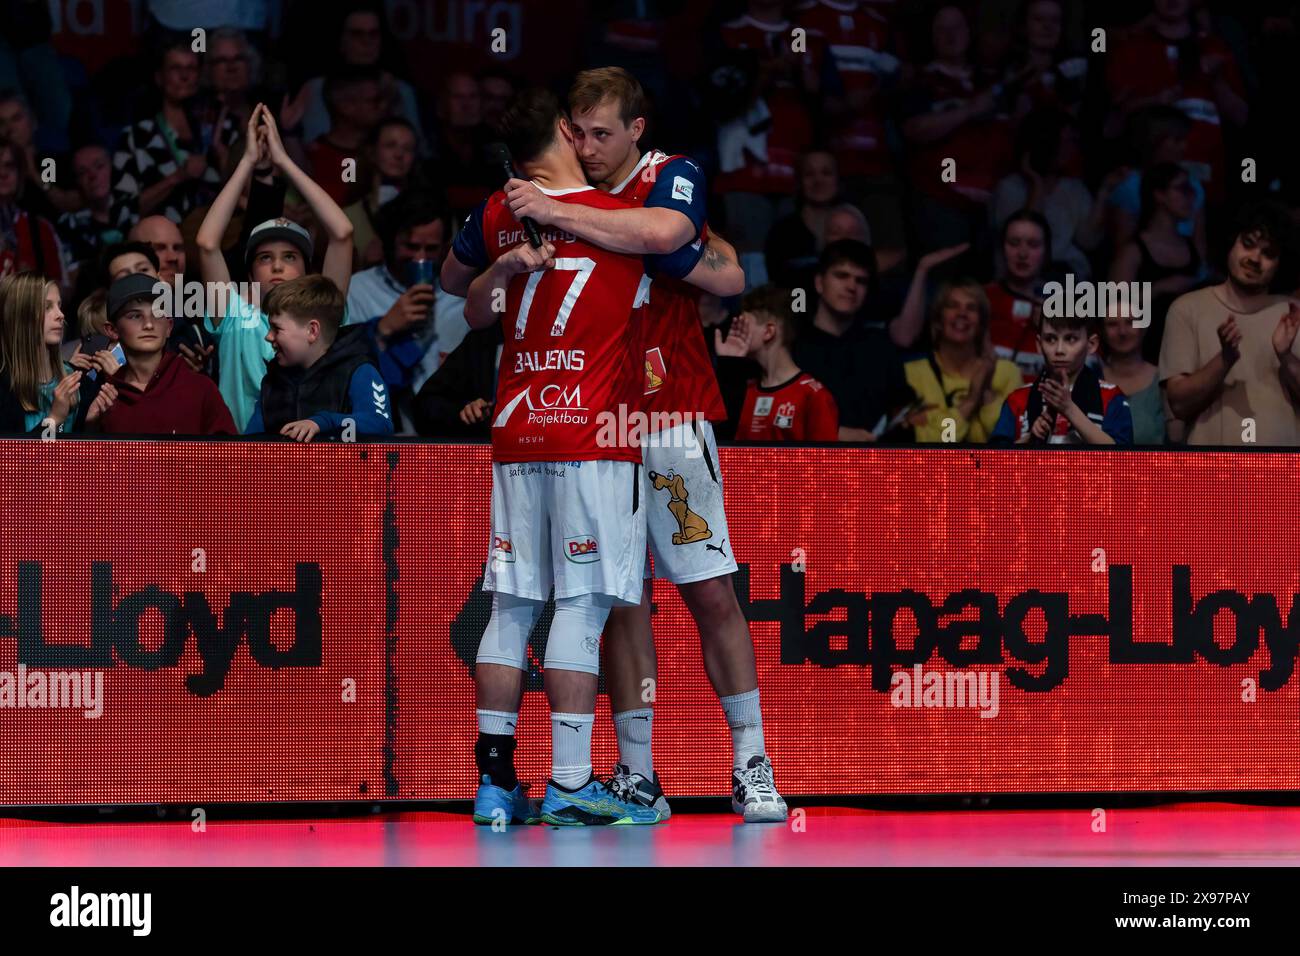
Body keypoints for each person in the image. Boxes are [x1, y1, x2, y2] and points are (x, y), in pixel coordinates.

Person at [490, 67, 786, 823]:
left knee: (710, 588)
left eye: (601, 133)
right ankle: (636, 773)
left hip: (673, 412)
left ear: (636, 131)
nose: (586, 147)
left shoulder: (669, 175)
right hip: (594, 423)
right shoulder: (545, 193)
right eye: (576, 132)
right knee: (619, 601)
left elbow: (705, 259)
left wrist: (572, 213)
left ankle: (751, 760)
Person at [456, 88, 664, 827]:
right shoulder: (622, 215)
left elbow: (465, 299)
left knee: (511, 604)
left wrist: (506, 265)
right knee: (582, 602)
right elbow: (692, 246)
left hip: (518, 431)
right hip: (593, 436)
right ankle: (572, 781)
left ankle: (493, 784)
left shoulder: (498, 214)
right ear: (568, 136)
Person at [196, 102, 354, 431]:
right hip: (240, 461)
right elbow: (207, 243)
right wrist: (248, 162)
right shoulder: (232, 314)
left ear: (309, 274)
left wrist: (285, 161)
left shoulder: (322, 313)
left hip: (308, 461)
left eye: (290, 257)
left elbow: (342, 233)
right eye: (265, 258)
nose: (277, 266)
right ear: (251, 274)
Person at [1160, 202, 1300, 445]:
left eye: (1268, 253)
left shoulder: (1293, 313)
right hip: (1211, 473)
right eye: (1247, 244)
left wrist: (1286, 356)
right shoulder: (1186, 309)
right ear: (1230, 242)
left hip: (1284, 474)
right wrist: (1224, 360)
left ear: (1280, 263)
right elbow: (1178, 403)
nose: (1255, 259)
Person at [346, 191, 463, 432]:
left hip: (451, 437)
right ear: (389, 242)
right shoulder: (358, 290)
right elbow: (341, 372)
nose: (420, 258)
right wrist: (382, 330)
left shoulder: (462, 297)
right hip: (387, 435)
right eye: (411, 247)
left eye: (431, 249)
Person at [244, 275, 392, 441]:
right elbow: (251, 443)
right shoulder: (273, 381)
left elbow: (380, 425)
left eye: (276, 329)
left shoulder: (359, 370)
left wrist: (323, 423)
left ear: (312, 331)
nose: (268, 337)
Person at [793, 239, 911, 442]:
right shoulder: (792, 345)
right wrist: (834, 434)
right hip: (804, 465)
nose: (851, 286)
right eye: (842, 276)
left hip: (873, 465)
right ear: (819, 283)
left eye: (861, 280)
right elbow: (771, 419)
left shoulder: (881, 348)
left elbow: (901, 413)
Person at [95, 272, 236, 435]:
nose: (148, 324)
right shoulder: (101, 394)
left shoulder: (201, 389)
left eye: (158, 314)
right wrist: (90, 426)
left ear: (169, 326)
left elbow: (230, 456)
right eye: (134, 316)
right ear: (112, 330)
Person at [111, 42, 236, 222]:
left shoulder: (221, 129)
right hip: (162, 243)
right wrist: (177, 178)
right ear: (159, 77)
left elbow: (249, 197)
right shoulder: (136, 137)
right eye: (175, 68)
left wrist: (224, 159)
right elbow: (121, 212)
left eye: (191, 68)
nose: (184, 75)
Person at [1108, 162, 1206, 364]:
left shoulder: (1192, 246)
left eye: (1192, 190)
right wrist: (1160, 288)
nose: (1191, 196)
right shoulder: (1134, 250)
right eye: (1182, 189)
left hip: (1189, 350)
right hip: (1146, 349)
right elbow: (1112, 305)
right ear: (1159, 195)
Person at [991, 309, 1133, 444]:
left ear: (1091, 344)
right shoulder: (1017, 400)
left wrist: (1069, 409)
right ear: (1039, 345)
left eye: (1070, 339)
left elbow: (1123, 462)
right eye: (1050, 339)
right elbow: (994, 463)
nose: (1059, 350)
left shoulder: (1111, 397)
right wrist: (1030, 439)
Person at [905, 280, 1023, 443]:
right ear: (938, 320)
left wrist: (987, 391)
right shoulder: (913, 374)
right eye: (953, 306)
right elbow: (928, 443)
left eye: (971, 308)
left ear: (981, 324)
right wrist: (972, 400)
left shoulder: (1006, 373)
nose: (962, 313)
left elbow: (1012, 441)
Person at [0, 271, 112, 433]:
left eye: (59, 306)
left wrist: (90, 424)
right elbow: (14, 457)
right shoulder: (4, 388)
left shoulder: (79, 381)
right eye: (47, 307)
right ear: (20, 316)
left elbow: (80, 454)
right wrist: (55, 419)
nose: (60, 315)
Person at [726, 285, 838, 441]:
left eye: (744, 323)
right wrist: (728, 361)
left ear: (768, 332)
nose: (735, 328)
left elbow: (826, 462)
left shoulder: (813, 396)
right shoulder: (743, 390)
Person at [343, 117, 423, 267]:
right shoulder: (349, 216)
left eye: (408, 148)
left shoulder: (433, 213)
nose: (399, 154)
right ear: (372, 152)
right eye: (390, 145)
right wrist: (361, 265)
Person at [0, 137, 66, 285]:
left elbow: (62, 289)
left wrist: (34, 288)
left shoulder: (40, 228)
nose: (2, 173)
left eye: (9, 166)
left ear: (20, 173)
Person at [1100, 311, 1168, 445]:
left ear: (1144, 327)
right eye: (1112, 324)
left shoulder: (1164, 380)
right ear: (1102, 331)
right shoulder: (1090, 379)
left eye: (1130, 322)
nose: (1122, 332)